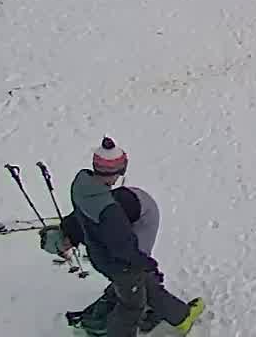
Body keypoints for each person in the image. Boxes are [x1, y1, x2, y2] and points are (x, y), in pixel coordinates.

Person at [63, 140, 202, 336]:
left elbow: (78, 217)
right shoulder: (109, 211)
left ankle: (182, 316)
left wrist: (68, 231)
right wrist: (146, 263)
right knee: (132, 306)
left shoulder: (81, 184)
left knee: (143, 286)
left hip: (99, 256)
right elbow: (123, 247)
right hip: (119, 265)